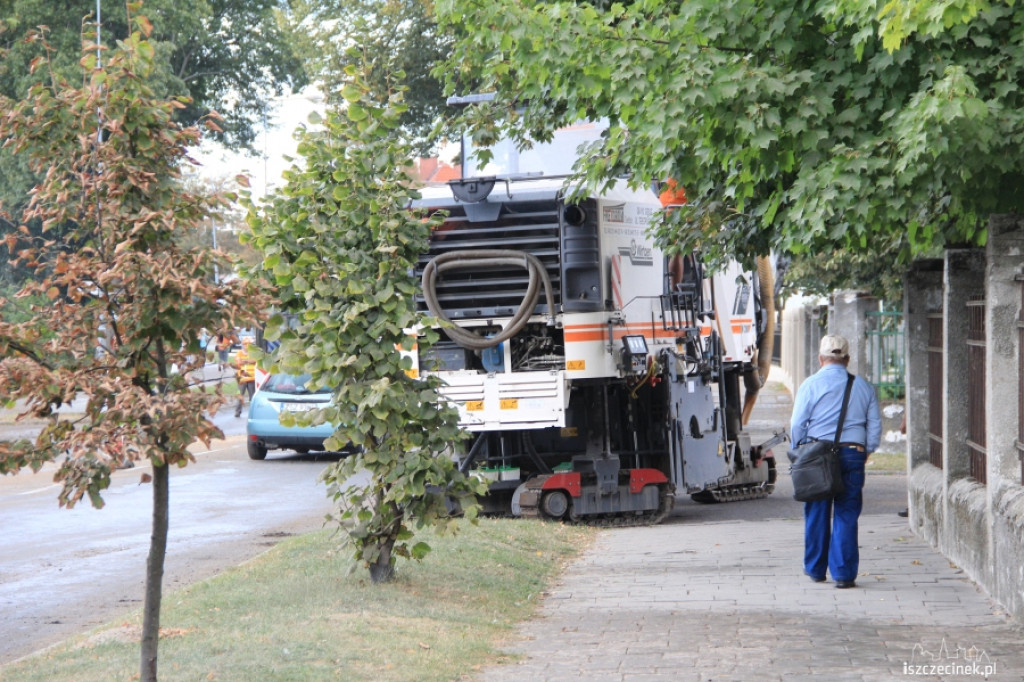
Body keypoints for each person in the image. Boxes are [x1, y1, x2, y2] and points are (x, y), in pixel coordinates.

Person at [790, 334, 882, 589]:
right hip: (853, 452)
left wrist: (797, 450)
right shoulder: (863, 386)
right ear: (847, 359)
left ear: (820, 359)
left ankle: (816, 569)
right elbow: (874, 424)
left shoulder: (810, 384)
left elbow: (797, 424)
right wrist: (867, 449)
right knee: (847, 512)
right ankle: (843, 574)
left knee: (817, 511)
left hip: (817, 455)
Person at [234, 339, 257, 418]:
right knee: (240, 396)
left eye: (249, 344)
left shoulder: (254, 353)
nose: (247, 346)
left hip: (251, 378)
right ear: (242, 344)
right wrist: (248, 361)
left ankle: (252, 413)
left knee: (252, 397)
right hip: (242, 379)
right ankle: (238, 412)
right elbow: (239, 362)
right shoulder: (239, 353)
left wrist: (245, 361)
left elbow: (255, 361)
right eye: (245, 344)